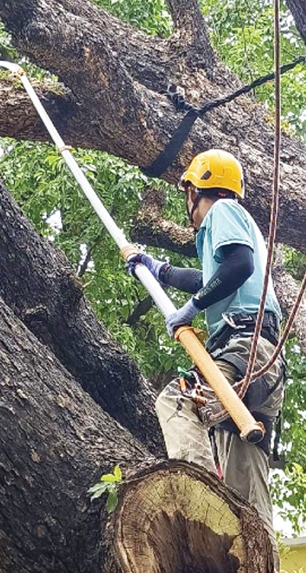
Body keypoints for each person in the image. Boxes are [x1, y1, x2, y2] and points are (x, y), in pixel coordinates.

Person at [129, 148, 284, 538]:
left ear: (197, 189)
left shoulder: (222, 212)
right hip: (263, 359)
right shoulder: (239, 225)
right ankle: (255, 552)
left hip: (241, 346)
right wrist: (157, 269)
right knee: (242, 470)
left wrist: (192, 310)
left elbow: (237, 267)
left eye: (188, 193)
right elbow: (211, 278)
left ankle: (201, 510)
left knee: (177, 402)